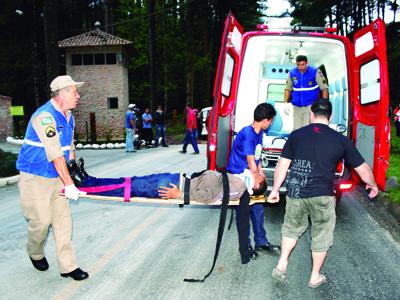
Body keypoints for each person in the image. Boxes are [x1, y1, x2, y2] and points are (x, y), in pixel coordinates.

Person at [268, 98, 379, 288]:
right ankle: (314, 276)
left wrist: (276, 189)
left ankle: (282, 264)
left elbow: (282, 166)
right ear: (331, 116)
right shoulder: (340, 140)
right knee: (321, 235)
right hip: (323, 195)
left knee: (291, 229)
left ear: (311, 115)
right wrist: (373, 185)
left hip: (296, 192)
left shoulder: (296, 136)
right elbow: (363, 169)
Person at [68, 158, 266, 264]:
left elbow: (212, 197)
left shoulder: (239, 187)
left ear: (256, 185)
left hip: (174, 185)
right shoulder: (241, 178)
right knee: (129, 182)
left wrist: (181, 195)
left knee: (126, 188)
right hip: (175, 178)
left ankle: (84, 185)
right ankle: (88, 180)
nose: (258, 172)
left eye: (260, 176)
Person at [16, 75, 89, 281]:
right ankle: (35, 251)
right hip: (35, 176)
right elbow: (55, 153)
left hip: (57, 175)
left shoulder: (68, 116)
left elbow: (68, 147)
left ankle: (69, 266)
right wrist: (69, 184)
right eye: (75, 92)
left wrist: (72, 169)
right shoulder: (45, 117)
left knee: (63, 220)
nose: (78, 96)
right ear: (63, 93)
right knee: (41, 221)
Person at [227, 103, 280, 259]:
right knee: (243, 212)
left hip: (249, 176)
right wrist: (257, 177)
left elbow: (256, 158)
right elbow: (250, 160)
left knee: (258, 208)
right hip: (238, 178)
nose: (270, 124)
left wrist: (261, 172)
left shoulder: (259, 134)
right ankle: (246, 247)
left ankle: (261, 242)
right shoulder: (248, 133)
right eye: (270, 121)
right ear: (264, 120)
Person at [284, 55, 329, 130]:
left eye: (303, 64)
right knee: (297, 129)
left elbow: (324, 88)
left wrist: (324, 105)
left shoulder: (315, 72)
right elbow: (288, 89)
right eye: (298, 65)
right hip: (296, 107)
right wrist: (285, 103)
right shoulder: (292, 73)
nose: (300, 67)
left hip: (310, 106)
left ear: (307, 63)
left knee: (306, 128)